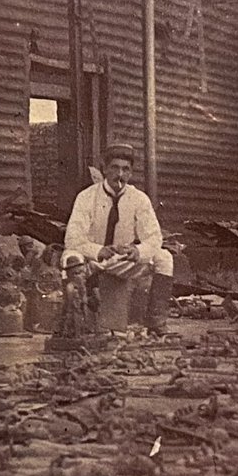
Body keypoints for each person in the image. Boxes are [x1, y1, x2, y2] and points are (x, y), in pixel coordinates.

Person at [62, 143, 173, 335]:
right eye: (114, 167)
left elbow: (154, 238)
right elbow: (73, 238)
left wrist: (138, 251)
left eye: (125, 169)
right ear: (104, 169)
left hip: (120, 261)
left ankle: (156, 322)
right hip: (90, 259)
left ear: (130, 173)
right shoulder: (86, 197)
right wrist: (97, 250)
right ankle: (78, 320)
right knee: (72, 258)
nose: (119, 174)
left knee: (164, 258)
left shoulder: (139, 199)